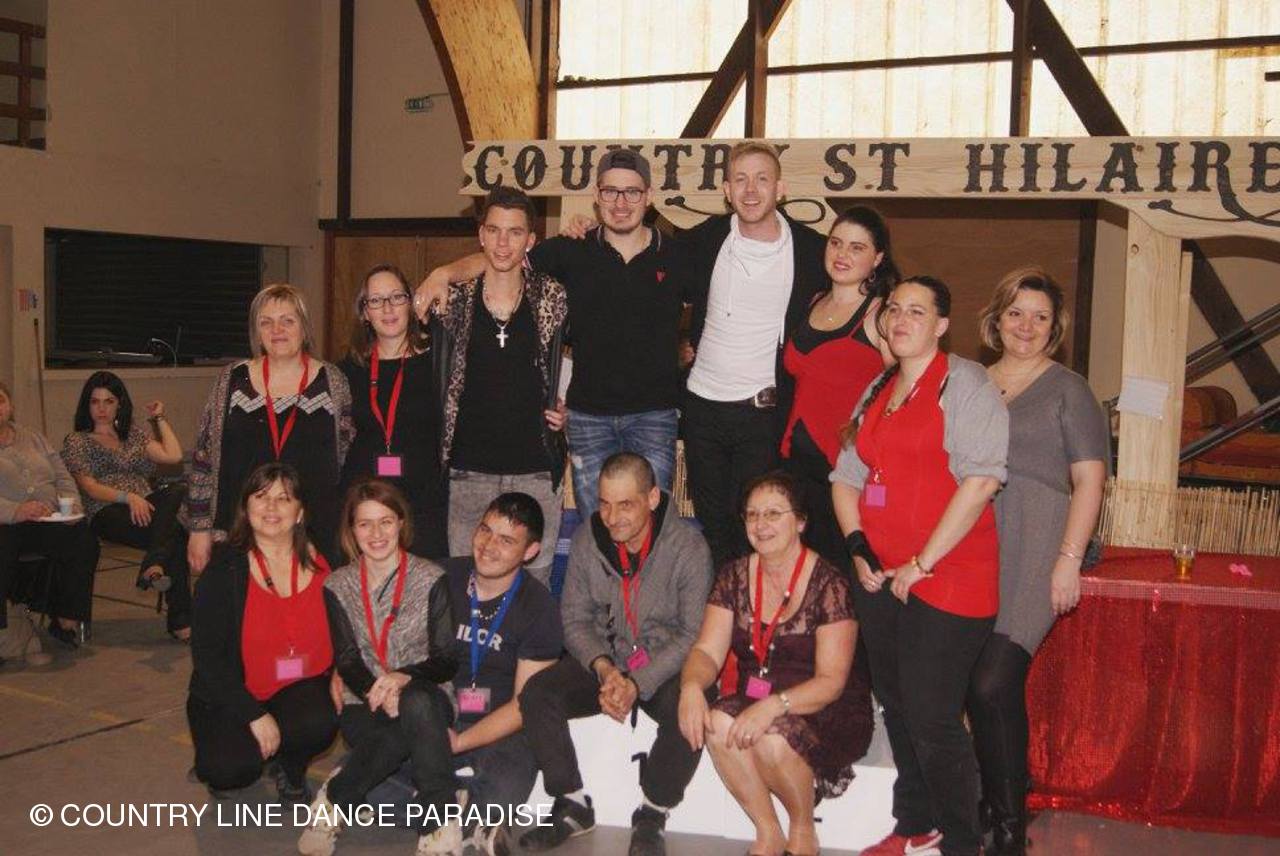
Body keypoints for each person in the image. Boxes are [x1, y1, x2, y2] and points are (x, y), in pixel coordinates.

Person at [831, 277, 1008, 856]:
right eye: (895, 310)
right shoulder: (879, 388)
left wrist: (921, 561)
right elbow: (846, 478)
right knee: (898, 705)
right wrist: (858, 546)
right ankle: (915, 824)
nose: (902, 319)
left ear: (941, 326)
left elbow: (982, 480)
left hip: (950, 574)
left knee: (932, 715)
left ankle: (963, 842)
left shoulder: (965, 384)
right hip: (883, 576)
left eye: (917, 311)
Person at [416, 150, 685, 516]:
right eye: (610, 191)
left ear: (648, 196)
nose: (621, 203)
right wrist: (444, 273)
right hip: (588, 418)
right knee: (596, 526)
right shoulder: (569, 250)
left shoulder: (676, 255)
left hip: (654, 416)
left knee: (654, 523)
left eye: (632, 192)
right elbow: (502, 258)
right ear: (596, 195)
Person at [967, 268, 1107, 855]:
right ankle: (996, 796)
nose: (1026, 326)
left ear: (1055, 327)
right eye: (1016, 313)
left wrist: (1068, 560)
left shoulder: (1070, 389)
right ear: (996, 319)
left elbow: (1090, 480)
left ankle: (1007, 828)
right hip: (973, 544)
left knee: (991, 682)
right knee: (972, 687)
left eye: (1040, 317)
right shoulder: (968, 382)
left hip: (1037, 543)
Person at [342, 492, 564, 856]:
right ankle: (462, 814)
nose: (489, 546)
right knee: (362, 784)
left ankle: (445, 808)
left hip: (497, 727)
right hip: (431, 714)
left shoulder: (540, 607)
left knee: (505, 793)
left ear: (531, 551)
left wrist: (459, 742)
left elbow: (524, 705)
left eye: (506, 540)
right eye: (485, 530)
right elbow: (380, 636)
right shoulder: (438, 575)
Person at [518, 453, 714, 856]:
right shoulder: (588, 538)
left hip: (661, 665)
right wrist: (604, 668)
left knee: (694, 702)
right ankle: (571, 804)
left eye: (626, 504)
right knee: (538, 693)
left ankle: (653, 812)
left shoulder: (688, 547)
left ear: (653, 499)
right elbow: (574, 619)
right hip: (607, 661)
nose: (612, 517)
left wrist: (637, 682)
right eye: (604, 503)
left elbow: (692, 634)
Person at [677, 472, 872, 856]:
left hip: (822, 705)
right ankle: (767, 832)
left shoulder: (830, 582)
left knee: (773, 738)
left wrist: (773, 706)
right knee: (717, 722)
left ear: (800, 522)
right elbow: (706, 652)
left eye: (772, 514)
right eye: (752, 515)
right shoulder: (733, 575)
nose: (760, 524)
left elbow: (831, 681)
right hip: (759, 694)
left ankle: (802, 831)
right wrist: (691, 687)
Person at [681, 141, 830, 567]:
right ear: (727, 190)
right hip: (702, 408)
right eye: (740, 179)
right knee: (713, 526)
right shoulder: (704, 240)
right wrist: (587, 230)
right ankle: (722, 604)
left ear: (780, 189)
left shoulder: (812, 250)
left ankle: (755, 605)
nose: (751, 190)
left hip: (763, 413)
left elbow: (867, 280)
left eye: (762, 179)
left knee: (755, 527)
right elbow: (647, 266)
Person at [297, 479, 458, 856]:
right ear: (351, 530)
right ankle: (343, 796)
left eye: (385, 521)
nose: (376, 533)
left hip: (428, 693)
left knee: (416, 705)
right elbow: (346, 658)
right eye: (365, 524)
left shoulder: (431, 577)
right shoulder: (337, 584)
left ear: (401, 523)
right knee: (400, 732)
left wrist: (403, 678)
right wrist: (377, 691)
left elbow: (446, 659)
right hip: (363, 699)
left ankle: (432, 822)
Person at [428, 186, 569, 586]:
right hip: (468, 469)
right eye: (494, 230)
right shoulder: (451, 303)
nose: (503, 243)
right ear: (481, 235)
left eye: (514, 232)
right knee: (465, 583)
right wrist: (439, 274)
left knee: (534, 588)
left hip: (536, 468)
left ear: (531, 240)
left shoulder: (552, 298)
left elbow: (589, 359)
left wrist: (569, 408)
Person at [186, 463, 337, 804]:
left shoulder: (325, 564)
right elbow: (208, 659)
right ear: (246, 507)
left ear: (300, 513)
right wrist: (254, 714)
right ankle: (242, 746)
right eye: (261, 496)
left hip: (298, 689)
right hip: (233, 694)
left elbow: (346, 628)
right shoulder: (224, 569)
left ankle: (290, 766)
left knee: (319, 722)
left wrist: (341, 671)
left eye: (284, 498)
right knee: (228, 771)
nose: (271, 507)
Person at [183, 283, 354, 572]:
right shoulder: (231, 380)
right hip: (239, 532)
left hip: (315, 535)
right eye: (266, 322)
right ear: (256, 332)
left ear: (304, 328)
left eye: (288, 320)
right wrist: (199, 529)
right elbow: (204, 457)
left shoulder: (333, 381)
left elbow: (346, 457)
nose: (277, 330)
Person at [779, 206, 896, 566]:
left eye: (857, 247)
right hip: (797, 467)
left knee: (844, 576)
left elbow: (902, 393)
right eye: (836, 243)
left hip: (847, 473)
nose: (842, 254)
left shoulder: (882, 315)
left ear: (877, 258)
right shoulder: (813, 302)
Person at [61, 371, 190, 640]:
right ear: (87, 405)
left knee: (179, 489)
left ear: (119, 404)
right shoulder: (77, 440)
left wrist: (159, 418)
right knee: (175, 533)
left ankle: (154, 563)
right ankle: (180, 620)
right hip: (106, 509)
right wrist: (127, 497)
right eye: (95, 402)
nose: (102, 408)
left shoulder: (133, 435)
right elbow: (89, 487)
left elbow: (173, 456)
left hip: (147, 505)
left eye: (108, 401)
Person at [339, 264, 447, 558]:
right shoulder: (346, 371)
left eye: (396, 297)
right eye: (376, 300)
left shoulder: (440, 363)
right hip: (366, 508)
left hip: (425, 505)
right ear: (364, 312)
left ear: (411, 303)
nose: (387, 308)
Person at [0, 379, 97, 649]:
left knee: (83, 538)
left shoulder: (33, 437)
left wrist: (71, 505)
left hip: (45, 518)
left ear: (10, 406)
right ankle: (3, 636)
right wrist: (17, 510)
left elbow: (62, 475)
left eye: (0, 401)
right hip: (6, 523)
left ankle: (66, 617)